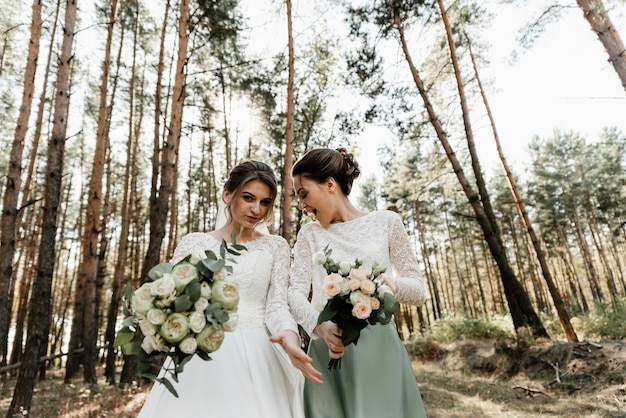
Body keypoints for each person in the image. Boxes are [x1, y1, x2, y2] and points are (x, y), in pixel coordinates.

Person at [138, 160, 320, 418]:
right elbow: (173, 299)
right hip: (203, 356)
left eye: (265, 202)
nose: (257, 209)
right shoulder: (194, 244)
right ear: (227, 194)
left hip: (259, 353)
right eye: (248, 198)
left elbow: (277, 306)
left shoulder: (275, 247)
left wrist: (290, 337)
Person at [288, 147, 429, 418]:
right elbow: (293, 293)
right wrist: (319, 327)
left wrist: (384, 284)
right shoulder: (309, 234)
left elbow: (419, 290)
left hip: (380, 352)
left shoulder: (386, 222)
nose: (302, 206)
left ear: (329, 184)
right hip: (328, 351)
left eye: (304, 194)